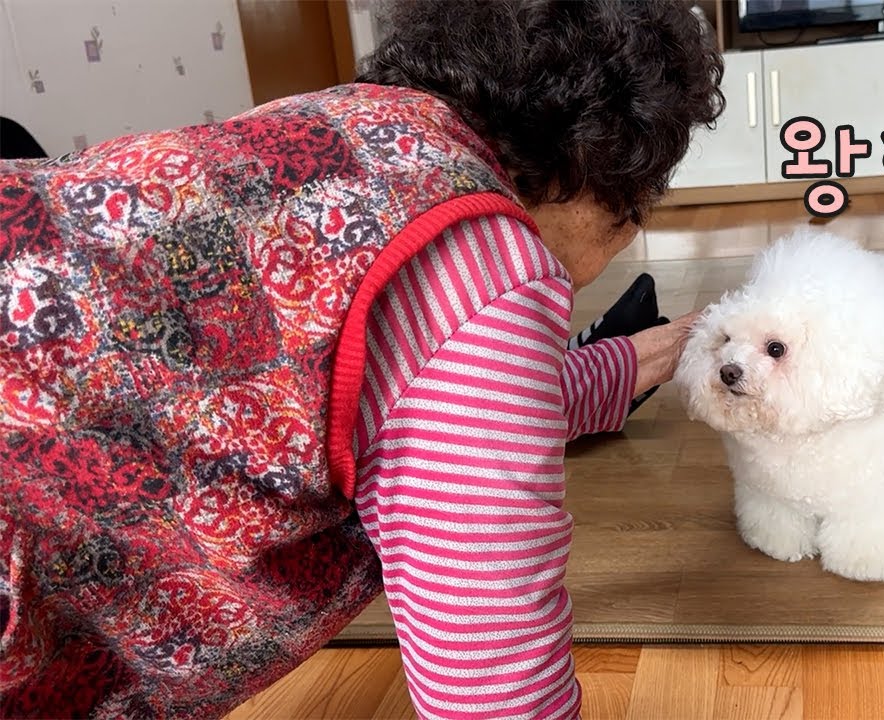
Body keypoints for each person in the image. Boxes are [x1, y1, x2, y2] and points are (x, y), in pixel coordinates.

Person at [0, 1, 724, 717]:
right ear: (610, 184)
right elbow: (494, 685)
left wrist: (654, 354)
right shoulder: (489, 267)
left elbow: (439, 400)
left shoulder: (362, 124)